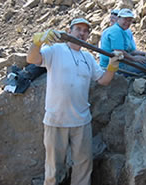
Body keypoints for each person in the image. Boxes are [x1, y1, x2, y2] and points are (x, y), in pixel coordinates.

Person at [26, 18, 123, 185]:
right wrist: (38, 42)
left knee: (84, 167)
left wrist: (112, 66)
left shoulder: (88, 58)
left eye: (85, 31)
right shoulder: (55, 50)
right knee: (53, 169)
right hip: (56, 120)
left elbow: (104, 80)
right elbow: (32, 59)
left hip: (81, 121)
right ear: (70, 31)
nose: (82, 33)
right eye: (78, 29)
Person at [100, 8, 146, 74]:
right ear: (118, 19)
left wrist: (144, 54)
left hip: (121, 61)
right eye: (125, 19)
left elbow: (131, 50)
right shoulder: (115, 31)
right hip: (111, 66)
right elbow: (119, 51)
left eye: (129, 20)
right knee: (145, 63)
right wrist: (134, 59)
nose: (127, 23)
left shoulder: (124, 31)